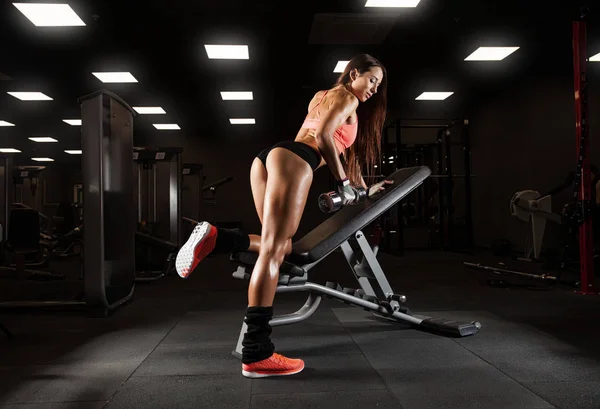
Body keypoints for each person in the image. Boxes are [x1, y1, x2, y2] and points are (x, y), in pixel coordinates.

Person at [175, 53, 392, 378]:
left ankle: (219, 238)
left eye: (379, 84)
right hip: (295, 160)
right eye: (372, 80)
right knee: (277, 249)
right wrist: (345, 185)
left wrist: (364, 188)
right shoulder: (348, 98)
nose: (375, 89)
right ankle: (257, 353)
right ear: (353, 74)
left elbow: (340, 149)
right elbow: (322, 140)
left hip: (269, 158)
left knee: (277, 246)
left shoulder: (322, 96)